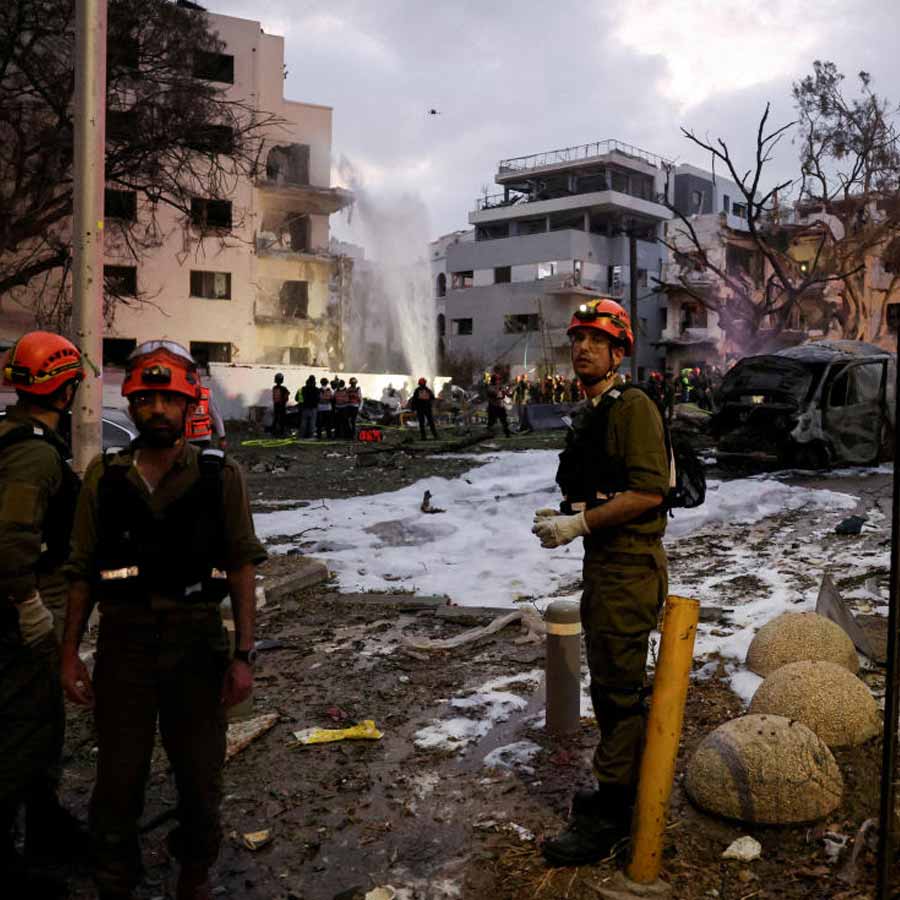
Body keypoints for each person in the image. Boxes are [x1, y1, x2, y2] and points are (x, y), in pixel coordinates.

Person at [60, 340, 267, 900]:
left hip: (196, 647)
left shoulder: (220, 477)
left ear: (187, 405)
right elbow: (80, 571)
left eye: (167, 399)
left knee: (200, 780)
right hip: (123, 648)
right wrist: (69, 653)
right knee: (117, 783)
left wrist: (245, 655)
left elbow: (243, 566)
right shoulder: (103, 478)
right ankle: (114, 880)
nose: (156, 408)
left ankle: (194, 873)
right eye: (145, 398)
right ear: (130, 404)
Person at [532, 298, 669, 867]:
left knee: (619, 691)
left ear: (619, 352)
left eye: (596, 340)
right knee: (611, 686)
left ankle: (614, 817)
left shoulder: (631, 406)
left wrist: (579, 523)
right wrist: (571, 515)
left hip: (629, 567)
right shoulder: (596, 408)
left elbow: (649, 491)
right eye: (577, 339)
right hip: (606, 564)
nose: (583, 348)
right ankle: (619, 792)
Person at [0, 331, 88, 894]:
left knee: (43, 720)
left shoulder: (17, 439)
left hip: (25, 603)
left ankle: (47, 825)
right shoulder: (34, 453)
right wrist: (30, 607)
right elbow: (11, 541)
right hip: (20, 611)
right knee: (22, 728)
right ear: (67, 388)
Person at [186, 383, 226, 449]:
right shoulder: (181, 393)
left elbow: (216, 416)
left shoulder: (206, 393)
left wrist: (222, 437)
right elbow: (216, 416)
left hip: (203, 438)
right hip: (188, 438)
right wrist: (222, 437)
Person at [297, 375, 319, 439]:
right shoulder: (316, 389)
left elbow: (297, 398)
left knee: (303, 423)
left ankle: (301, 436)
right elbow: (318, 399)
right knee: (312, 423)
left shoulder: (302, 389)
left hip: (305, 408)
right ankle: (311, 436)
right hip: (313, 408)